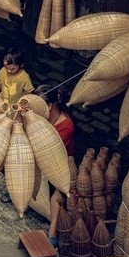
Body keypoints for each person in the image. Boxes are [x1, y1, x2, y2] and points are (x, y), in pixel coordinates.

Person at [35, 85, 76, 248]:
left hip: (60, 164)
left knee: (59, 193)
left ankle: (52, 231)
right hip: (42, 158)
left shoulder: (66, 127)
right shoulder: (41, 119)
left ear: (49, 107)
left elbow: (48, 150)